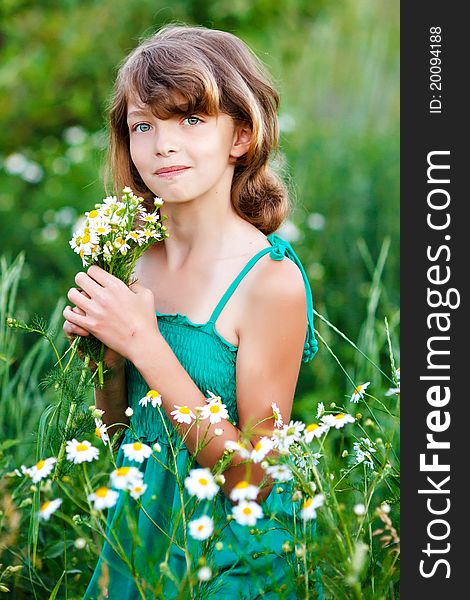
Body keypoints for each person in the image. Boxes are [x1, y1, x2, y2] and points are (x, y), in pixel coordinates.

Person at [63, 24, 319, 600]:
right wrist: (107, 352)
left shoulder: (269, 281)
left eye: (191, 120)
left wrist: (146, 344)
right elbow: (122, 438)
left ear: (242, 136)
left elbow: (254, 480)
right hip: (137, 540)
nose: (163, 144)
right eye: (143, 125)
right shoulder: (128, 258)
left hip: (228, 559)